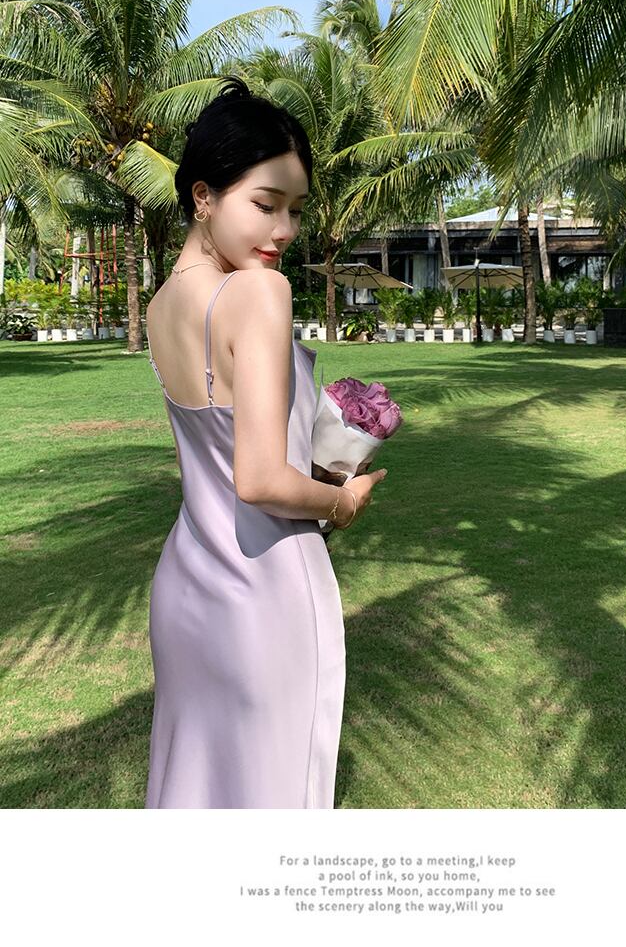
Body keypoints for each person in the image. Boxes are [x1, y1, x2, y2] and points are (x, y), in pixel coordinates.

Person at [144, 77, 388, 808]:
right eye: (265, 203)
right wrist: (341, 501)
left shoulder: (161, 305)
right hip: (263, 589)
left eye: (296, 209)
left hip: (187, 585)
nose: (283, 230)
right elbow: (257, 479)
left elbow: (213, 459)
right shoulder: (259, 293)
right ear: (203, 196)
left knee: (193, 791)